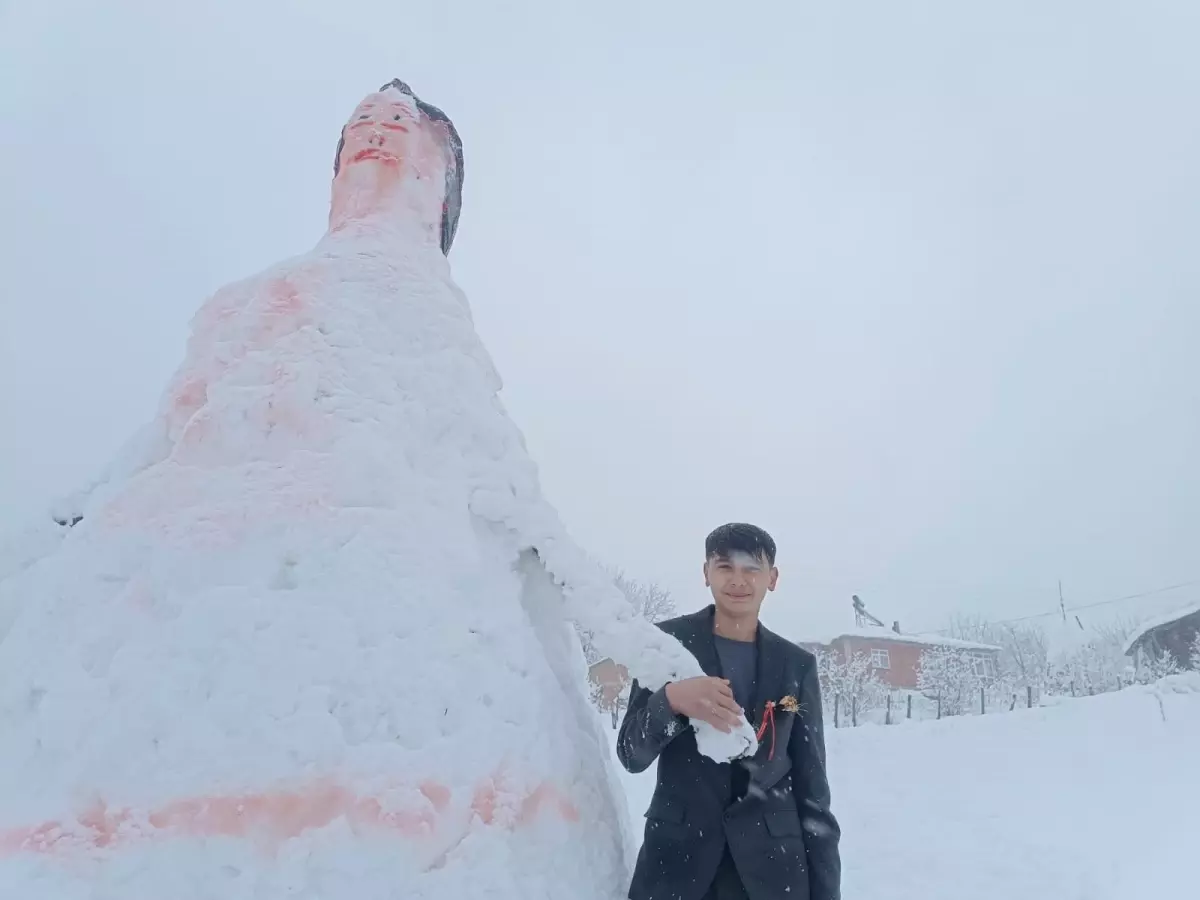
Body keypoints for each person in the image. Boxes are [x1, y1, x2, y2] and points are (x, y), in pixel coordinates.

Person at [617, 523, 841, 900]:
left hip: (773, 873)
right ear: (706, 573)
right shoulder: (666, 644)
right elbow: (630, 753)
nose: (738, 580)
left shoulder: (795, 665)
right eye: (725, 567)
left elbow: (812, 788)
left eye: (751, 568)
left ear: (772, 577)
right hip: (676, 867)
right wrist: (671, 701)